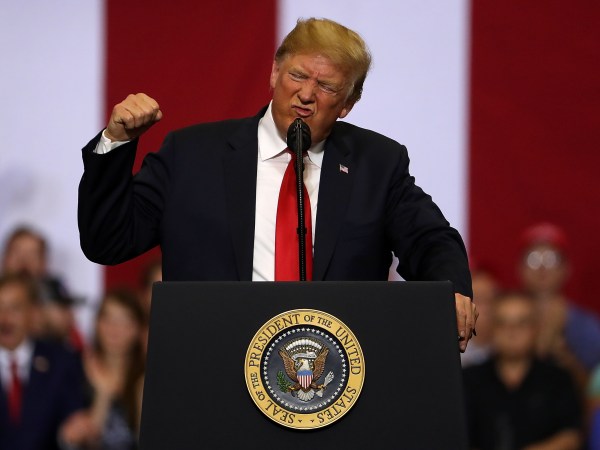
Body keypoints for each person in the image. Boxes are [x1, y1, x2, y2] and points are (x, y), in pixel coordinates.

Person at [77, 18, 476, 350]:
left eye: (326, 87)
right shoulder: (193, 155)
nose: (306, 94)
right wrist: (116, 142)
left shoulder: (377, 163)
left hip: (333, 382)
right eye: (297, 75)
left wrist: (453, 290)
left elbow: (430, 240)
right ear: (273, 72)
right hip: (213, 368)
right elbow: (107, 240)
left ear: (348, 103)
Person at [463, 291, 582, 450]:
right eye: (503, 323)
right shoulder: (469, 379)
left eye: (521, 323)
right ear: (492, 328)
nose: (511, 331)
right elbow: (457, 435)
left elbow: (572, 435)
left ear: (536, 328)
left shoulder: (558, 379)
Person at [0, 274, 85, 450]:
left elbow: (73, 425)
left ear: (33, 312)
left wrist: (71, 438)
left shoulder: (61, 362)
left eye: (14, 308)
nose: (4, 319)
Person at [60, 289, 146, 449]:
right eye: (108, 319)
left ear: (138, 330)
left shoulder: (146, 376)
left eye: (125, 321)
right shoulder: (73, 368)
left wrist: (142, 398)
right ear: (97, 323)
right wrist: (103, 395)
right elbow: (76, 441)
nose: (114, 329)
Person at [518, 222, 600, 388]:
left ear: (566, 269)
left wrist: (564, 356)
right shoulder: (504, 316)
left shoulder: (585, 324)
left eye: (551, 260)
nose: (542, 269)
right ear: (520, 269)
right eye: (533, 260)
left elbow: (593, 388)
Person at [461, 265, 499, 367]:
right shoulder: (453, 352)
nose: (487, 308)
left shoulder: (508, 348)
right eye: (480, 300)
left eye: (491, 300)